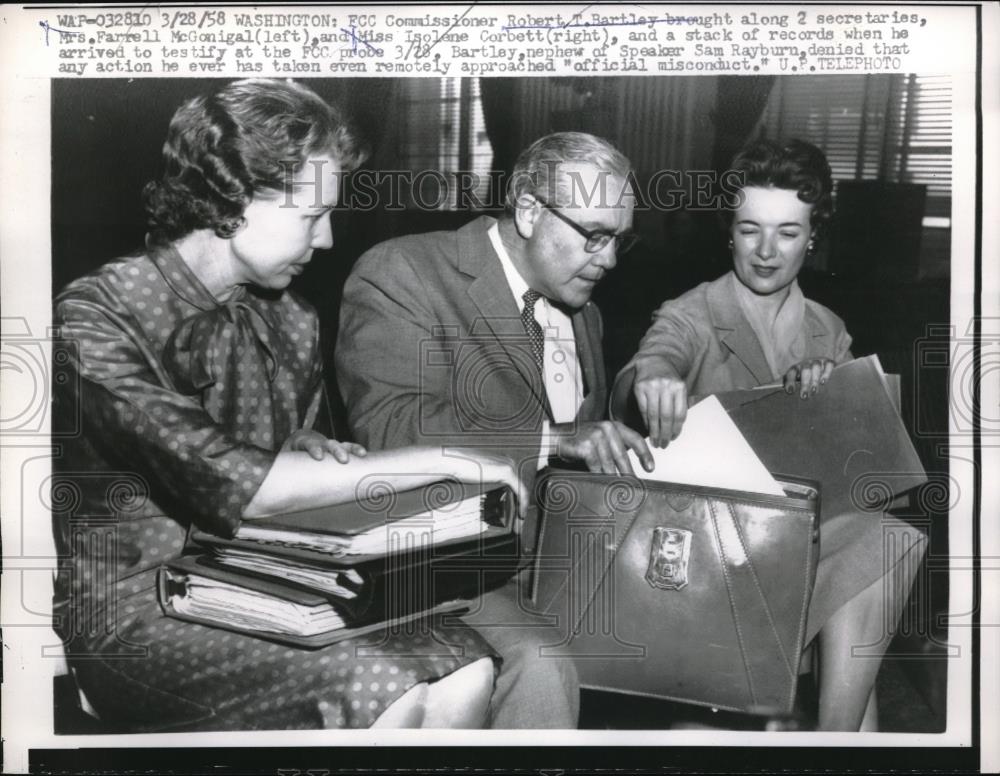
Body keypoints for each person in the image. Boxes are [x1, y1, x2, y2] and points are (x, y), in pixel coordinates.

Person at [51, 78, 528, 732]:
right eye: (311, 215)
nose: (328, 239)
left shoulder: (289, 322)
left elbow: (275, 462)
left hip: (261, 582)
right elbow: (239, 483)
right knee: (381, 685)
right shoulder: (99, 318)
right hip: (138, 609)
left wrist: (303, 448)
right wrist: (443, 460)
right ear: (234, 198)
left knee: (464, 665)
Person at [335, 132, 654, 727]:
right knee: (543, 662)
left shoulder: (584, 311)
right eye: (595, 236)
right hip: (437, 564)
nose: (609, 259)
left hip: (556, 563)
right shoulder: (404, 271)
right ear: (530, 211)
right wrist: (550, 439)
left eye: (619, 240)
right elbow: (388, 428)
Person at [621, 138, 927, 731]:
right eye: (749, 230)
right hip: (714, 564)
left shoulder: (828, 329)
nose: (766, 251)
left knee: (889, 539)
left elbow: (867, 480)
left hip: (806, 554)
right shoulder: (692, 312)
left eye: (788, 233)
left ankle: (826, 741)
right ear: (727, 232)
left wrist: (834, 390)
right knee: (861, 693)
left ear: (813, 236)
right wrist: (653, 377)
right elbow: (653, 358)